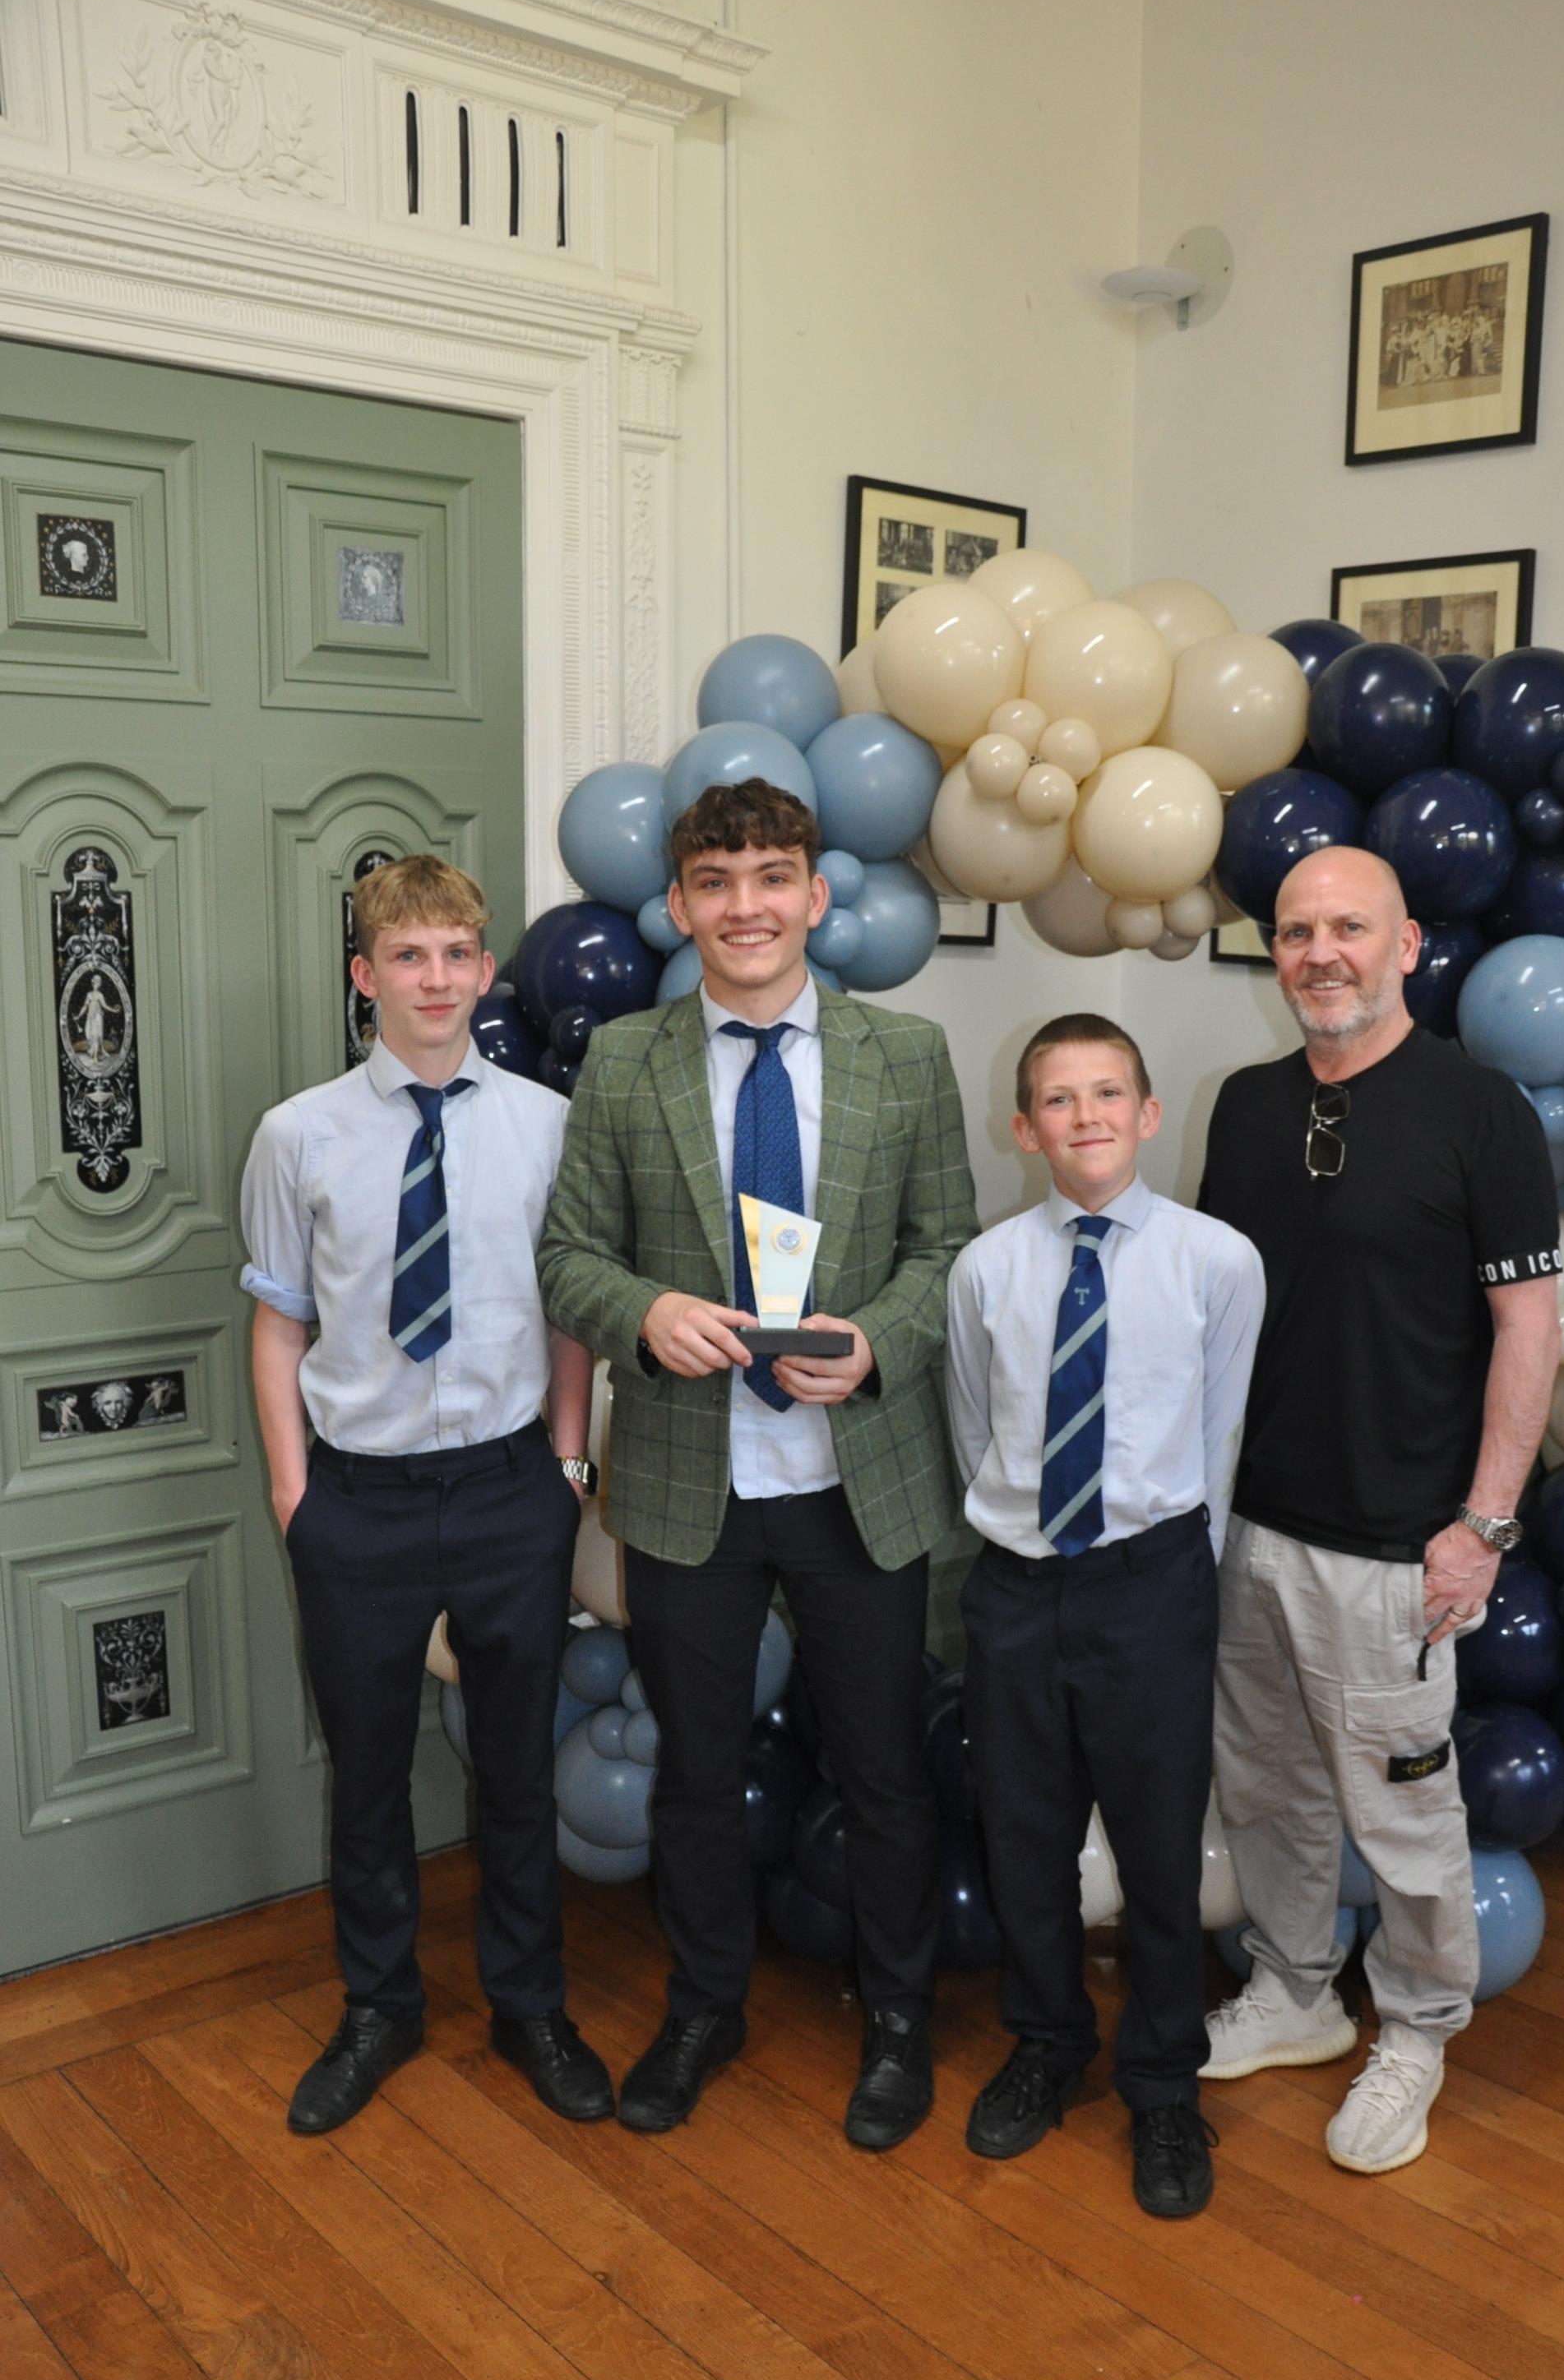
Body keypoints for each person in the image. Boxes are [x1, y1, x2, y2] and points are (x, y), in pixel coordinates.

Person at [539, 778, 979, 2147]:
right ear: (681, 905)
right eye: (717, 883)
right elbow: (568, 1258)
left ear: (816, 895)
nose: (747, 906)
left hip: (862, 1480)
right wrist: (644, 1313)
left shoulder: (908, 1055)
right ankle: (703, 2008)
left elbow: (947, 1252)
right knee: (696, 1772)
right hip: (691, 1484)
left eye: (772, 877)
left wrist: (882, 1342)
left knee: (884, 1771)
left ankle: (896, 2018)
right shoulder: (626, 1062)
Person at [1197, 846, 1561, 2174]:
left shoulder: (1481, 1110)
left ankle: (1415, 2029)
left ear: (1406, 946)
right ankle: (1295, 1990)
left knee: (1404, 1817)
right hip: (1252, 1526)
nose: (1322, 953)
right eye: (1298, 932)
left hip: (1401, 1545)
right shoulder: (1244, 1106)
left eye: (1351, 927)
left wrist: (1486, 1525)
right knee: (1270, 1788)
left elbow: (1530, 1330)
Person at [241, 854, 613, 2137]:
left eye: (457, 954)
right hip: (359, 1503)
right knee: (368, 1777)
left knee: (516, 1771)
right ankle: (379, 2007)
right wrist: (295, 1495)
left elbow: (570, 1312)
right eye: (409, 956)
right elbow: (279, 1321)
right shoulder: (298, 1136)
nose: (436, 978)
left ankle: (530, 2005)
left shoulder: (546, 1125)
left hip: (513, 1491)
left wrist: (569, 1470)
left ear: (486, 969)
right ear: (367, 975)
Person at [944, 1018, 1264, 2219]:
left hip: (1152, 1583)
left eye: (1108, 1094)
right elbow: (976, 1431)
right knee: (1024, 1837)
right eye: (1059, 1100)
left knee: (1160, 1849)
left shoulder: (1216, 1261)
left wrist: (1182, 1575)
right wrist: (1025, 1542)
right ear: (1024, 1128)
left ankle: (1165, 2086)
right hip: (1019, 1587)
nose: (1086, 1117)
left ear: (1148, 1114)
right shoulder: (988, 1270)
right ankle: (1047, 2041)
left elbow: (1221, 1430)